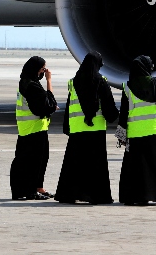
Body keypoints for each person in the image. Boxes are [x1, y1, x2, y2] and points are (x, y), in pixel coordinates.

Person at [54, 51, 119, 204]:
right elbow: (109, 107)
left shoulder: (73, 82)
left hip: (77, 129)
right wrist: (116, 118)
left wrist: (67, 127)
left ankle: (69, 194)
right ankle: (96, 196)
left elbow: (69, 107)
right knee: (95, 166)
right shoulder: (101, 82)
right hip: (95, 129)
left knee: (74, 165)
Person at [118, 55, 156, 205]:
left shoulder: (127, 87)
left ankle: (137, 196)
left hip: (135, 133)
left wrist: (121, 135)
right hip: (155, 130)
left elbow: (123, 113)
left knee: (137, 168)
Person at [10, 56, 58, 200]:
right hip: (35, 129)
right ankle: (30, 191)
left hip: (28, 129)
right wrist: (49, 81)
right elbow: (47, 105)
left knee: (35, 160)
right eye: (43, 69)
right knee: (34, 162)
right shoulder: (32, 86)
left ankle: (36, 188)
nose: (44, 72)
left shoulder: (26, 83)